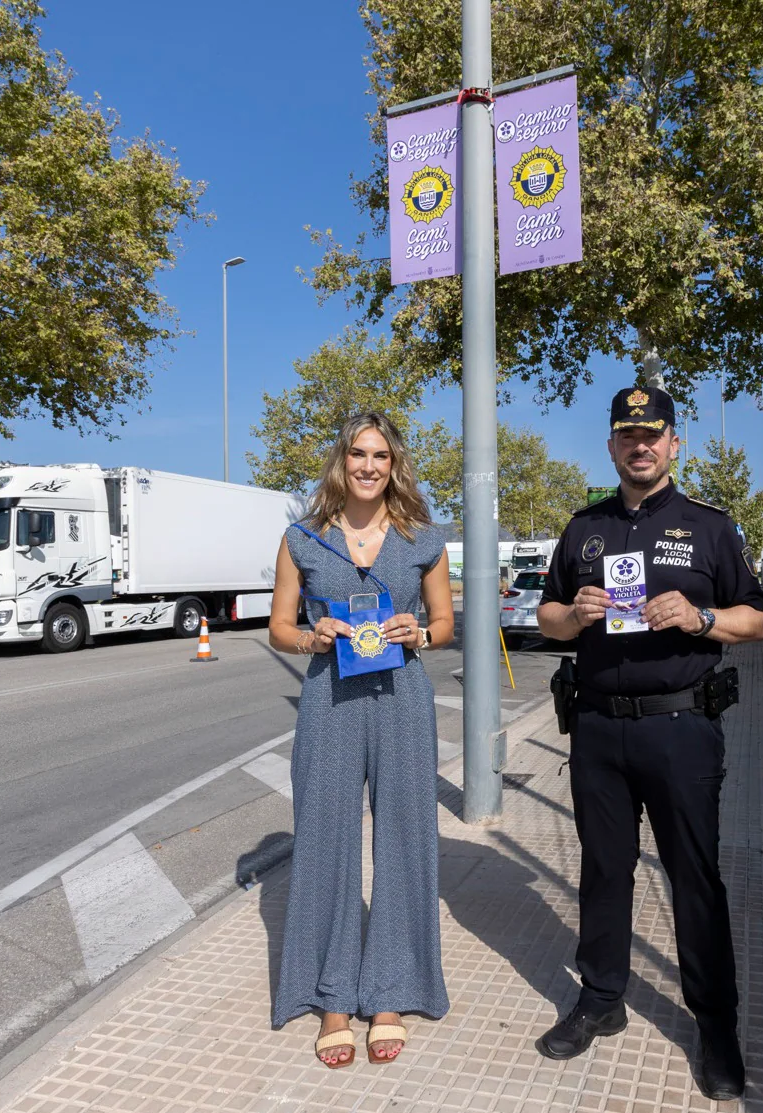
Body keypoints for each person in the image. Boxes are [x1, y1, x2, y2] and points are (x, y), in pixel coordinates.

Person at [535, 385, 763, 1100]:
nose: (639, 444)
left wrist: (700, 617)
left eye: (652, 434)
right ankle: (601, 997)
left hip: (681, 727)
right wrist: (573, 616)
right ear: (611, 446)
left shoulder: (708, 526)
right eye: (626, 435)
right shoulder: (583, 529)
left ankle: (715, 1023)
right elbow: (545, 617)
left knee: (693, 877)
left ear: (674, 443)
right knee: (604, 870)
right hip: (599, 726)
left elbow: (757, 620)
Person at [268, 411, 455, 1069]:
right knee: (323, 838)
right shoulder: (302, 539)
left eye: (379, 455)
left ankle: (390, 992)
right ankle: (333, 997)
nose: (369, 466)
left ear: (393, 463)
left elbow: (444, 624)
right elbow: (279, 629)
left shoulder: (422, 538)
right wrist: (313, 636)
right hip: (330, 698)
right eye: (357, 455)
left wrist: (421, 634)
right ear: (340, 463)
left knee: (407, 837)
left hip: (402, 698)